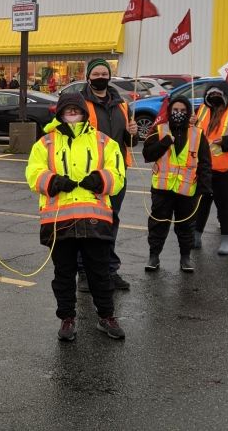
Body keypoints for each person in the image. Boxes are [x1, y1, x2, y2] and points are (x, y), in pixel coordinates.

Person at [25, 93, 126, 342]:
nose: (72, 114)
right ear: (59, 113)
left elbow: (118, 173)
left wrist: (101, 179)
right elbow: (33, 173)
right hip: (59, 220)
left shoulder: (104, 142)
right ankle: (67, 318)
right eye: (67, 110)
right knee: (64, 274)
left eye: (76, 110)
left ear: (84, 112)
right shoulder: (45, 143)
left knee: (100, 273)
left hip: (95, 219)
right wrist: (53, 181)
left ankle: (106, 316)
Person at [78, 58, 137, 290]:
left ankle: (109, 270)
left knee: (111, 221)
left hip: (117, 173)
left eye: (105, 73)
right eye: (96, 74)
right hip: (90, 173)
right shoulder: (80, 102)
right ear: (88, 77)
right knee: (88, 223)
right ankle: (84, 271)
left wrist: (133, 133)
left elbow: (129, 141)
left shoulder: (122, 104)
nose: (101, 77)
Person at [142, 95, 211, 273]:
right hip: (162, 189)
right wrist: (165, 142)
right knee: (158, 224)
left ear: (188, 112)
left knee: (186, 226)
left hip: (187, 189)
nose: (178, 114)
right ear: (169, 111)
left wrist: (204, 187)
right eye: (175, 110)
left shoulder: (198, 133)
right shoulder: (159, 130)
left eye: (182, 111)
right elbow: (147, 155)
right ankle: (154, 256)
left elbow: (205, 162)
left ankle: (185, 258)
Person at [192, 82, 228, 255]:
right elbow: (193, 133)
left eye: (218, 95)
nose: (214, 98)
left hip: (227, 169)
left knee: (224, 204)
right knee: (201, 203)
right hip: (203, 167)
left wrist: (225, 142)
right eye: (211, 95)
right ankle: (196, 235)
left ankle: (226, 239)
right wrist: (191, 124)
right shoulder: (201, 110)